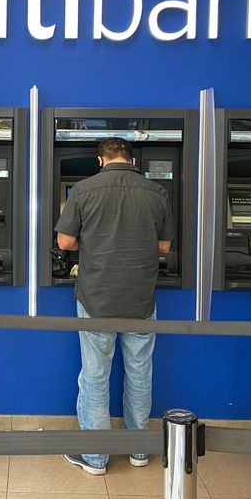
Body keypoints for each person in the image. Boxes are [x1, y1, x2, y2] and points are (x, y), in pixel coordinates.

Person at [55, 138, 174, 476]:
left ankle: (95, 457)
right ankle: (138, 450)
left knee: (95, 374)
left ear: (100, 160)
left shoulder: (83, 189)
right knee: (140, 372)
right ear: (131, 159)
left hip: (96, 297)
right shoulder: (156, 192)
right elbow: (164, 246)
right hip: (141, 298)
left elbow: (65, 241)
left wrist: (94, 242)